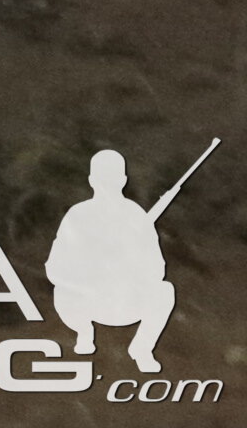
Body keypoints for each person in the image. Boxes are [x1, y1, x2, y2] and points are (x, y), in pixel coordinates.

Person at [47, 148, 178, 374]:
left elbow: (158, 269)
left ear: (123, 180)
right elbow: (54, 268)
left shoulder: (136, 216)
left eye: (112, 178)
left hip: (126, 301)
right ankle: (84, 333)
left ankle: (142, 349)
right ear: (92, 181)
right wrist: (88, 274)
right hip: (86, 302)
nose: (108, 183)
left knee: (165, 291)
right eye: (103, 178)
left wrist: (130, 264)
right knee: (61, 291)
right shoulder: (77, 215)